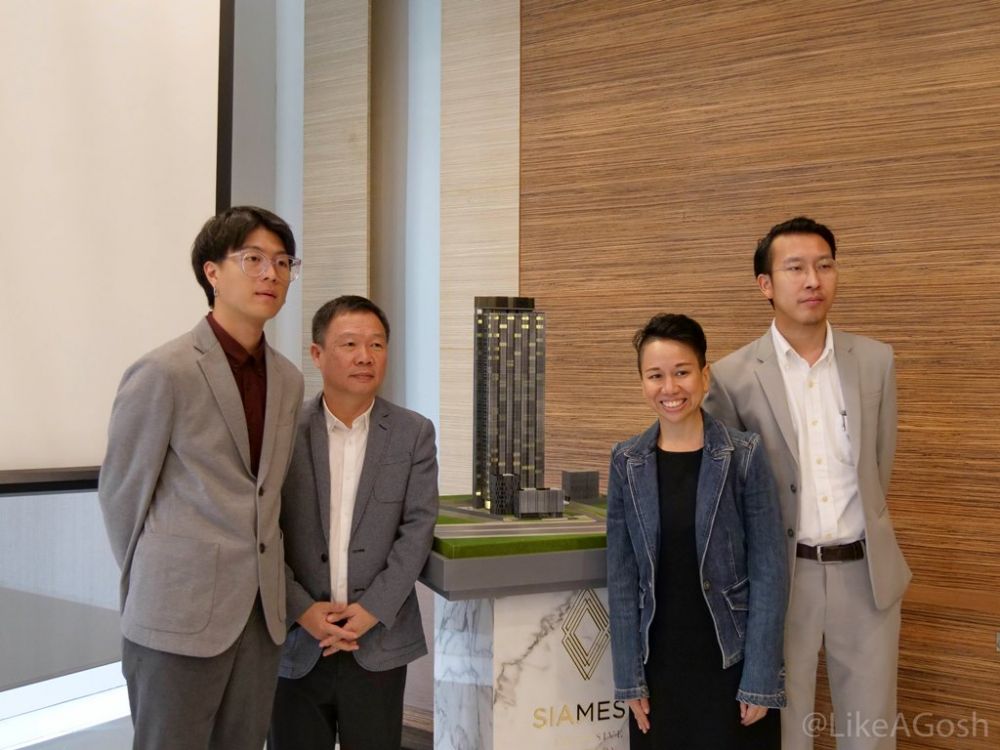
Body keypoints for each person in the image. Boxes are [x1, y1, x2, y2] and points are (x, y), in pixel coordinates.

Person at [98, 206, 305, 750]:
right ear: (212, 272)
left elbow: (269, 493)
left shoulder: (288, 379)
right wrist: (163, 579)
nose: (271, 274)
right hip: (178, 611)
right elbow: (122, 495)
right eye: (253, 259)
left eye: (283, 262)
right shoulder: (163, 370)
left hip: (261, 617)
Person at [704, 217, 910, 750]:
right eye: (795, 268)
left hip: (866, 575)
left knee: (870, 732)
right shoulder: (731, 376)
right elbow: (729, 494)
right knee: (784, 731)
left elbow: (879, 465)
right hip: (781, 578)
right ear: (766, 285)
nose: (813, 280)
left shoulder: (875, 360)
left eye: (824, 265)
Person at [607, 313, 787, 749]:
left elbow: (769, 571)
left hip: (732, 663)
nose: (669, 388)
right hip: (658, 668)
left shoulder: (743, 454)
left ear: (705, 376)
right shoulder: (627, 461)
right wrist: (629, 679)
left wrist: (760, 677)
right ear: (642, 382)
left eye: (682, 372)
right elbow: (622, 577)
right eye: (656, 375)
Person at [268, 295, 439, 750]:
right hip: (295, 638)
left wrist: (372, 610)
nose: (365, 356)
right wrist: (303, 609)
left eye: (376, 345)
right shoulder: (281, 432)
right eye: (349, 344)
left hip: (378, 641)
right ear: (317, 354)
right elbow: (263, 533)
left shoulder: (413, 433)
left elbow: (417, 529)